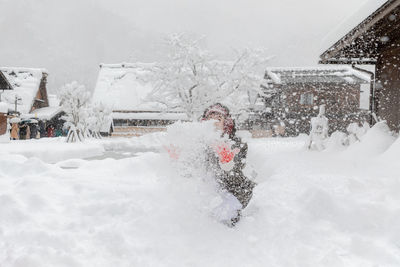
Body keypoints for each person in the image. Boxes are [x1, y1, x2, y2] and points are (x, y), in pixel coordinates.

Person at [201, 103, 256, 226]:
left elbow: (236, 174)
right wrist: (178, 160)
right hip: (211, 192)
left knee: (225, 218)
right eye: (211, 119)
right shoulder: (199, 144)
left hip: (236, 191)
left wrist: (227, 163)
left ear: (225, 123)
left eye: (218, 119)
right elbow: (192, 173)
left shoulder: (237, 144)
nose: (214, 123)